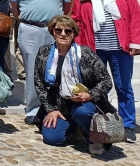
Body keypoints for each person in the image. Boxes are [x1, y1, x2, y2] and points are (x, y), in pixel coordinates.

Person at [70, 0, 140, 144]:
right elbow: (76, 23)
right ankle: (98, 124)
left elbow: (135, 16)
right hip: (94, 50)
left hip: (120, 48)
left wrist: (136, 42)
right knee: (96, 87)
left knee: (123, 87)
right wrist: (80, 48)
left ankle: (128, 125)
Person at [35, 15, 116, 154]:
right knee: (52, 139)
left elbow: (106, 81)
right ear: (52, 32)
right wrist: (51, 109)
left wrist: (89, 95)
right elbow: (39, 83)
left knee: (82, 112)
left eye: (68, 31)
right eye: (58, 30)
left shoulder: (85, 53)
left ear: (74, 34)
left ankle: (93, 138)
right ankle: (74, 128)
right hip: (59, 105)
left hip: (85, 104)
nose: (63, 34)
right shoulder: (44, 52)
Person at [10, 0, 71, 125]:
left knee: (56, 68)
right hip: (30, 30)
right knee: (32, 70)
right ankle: (34, 110)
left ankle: (56, 107)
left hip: (55, 31)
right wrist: (25, 20)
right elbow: (14, 6)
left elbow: (66, 6)